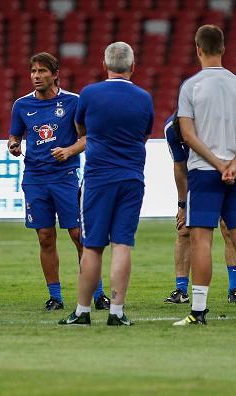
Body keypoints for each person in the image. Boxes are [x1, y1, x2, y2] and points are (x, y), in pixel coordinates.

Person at [58, 42, 153, 326]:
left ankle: (83, 311)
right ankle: (117, 311)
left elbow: (81, 130)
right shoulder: (144, 97)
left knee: (92, 246)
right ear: (133, 67)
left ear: (105, 65)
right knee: (122, 244)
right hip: (132, 177)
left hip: (98, 178)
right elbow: (144, 135)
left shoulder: (89, 94)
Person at [8, 52, 110, 311]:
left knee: (78, 235)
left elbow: (88, 138)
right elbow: (14, 137)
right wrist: (14, 145)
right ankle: (55, 296)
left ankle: (97, 294)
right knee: (45, 236)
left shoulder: (74, 102)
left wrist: (70, 151)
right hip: (34, 178)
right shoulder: (21, 105)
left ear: (55, 75)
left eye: (42, 71)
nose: (36, 76)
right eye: (33, 71)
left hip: (65, 177)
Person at [172, 25, 236, 326]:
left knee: (202, 241)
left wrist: (218, 164)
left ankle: (198, 310)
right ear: (223, 48)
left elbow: (187, 133)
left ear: (198, 49)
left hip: (204, 172)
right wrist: (234, 162)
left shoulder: (191, 87)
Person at [163, 113, 236, 304]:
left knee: (228, 228)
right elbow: (179, 167)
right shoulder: (171, 129)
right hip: (196, 178)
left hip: (225, 170)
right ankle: (181, 290)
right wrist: (182, 205)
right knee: (184, 230)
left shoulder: (216, 119)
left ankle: (235, 290)